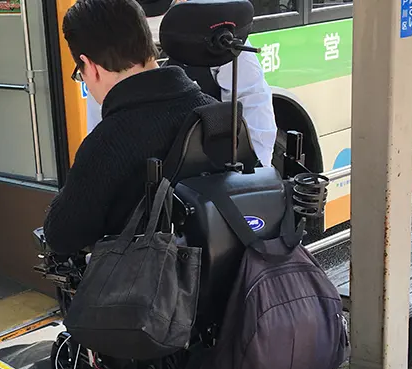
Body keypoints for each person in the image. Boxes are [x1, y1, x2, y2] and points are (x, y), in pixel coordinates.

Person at [42, 0, 215, 256]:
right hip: (230, 287)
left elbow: (62, 236)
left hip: (152, 291)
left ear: (88, 65)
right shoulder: (217, 114)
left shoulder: (109, 142)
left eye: (81, 74)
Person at [84, 0, 277, 168]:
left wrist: (250, 180)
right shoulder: (108, 34)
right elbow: (100, 128)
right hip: (140, 185)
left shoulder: (212, 29)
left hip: (206, 176)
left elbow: (254, 111)